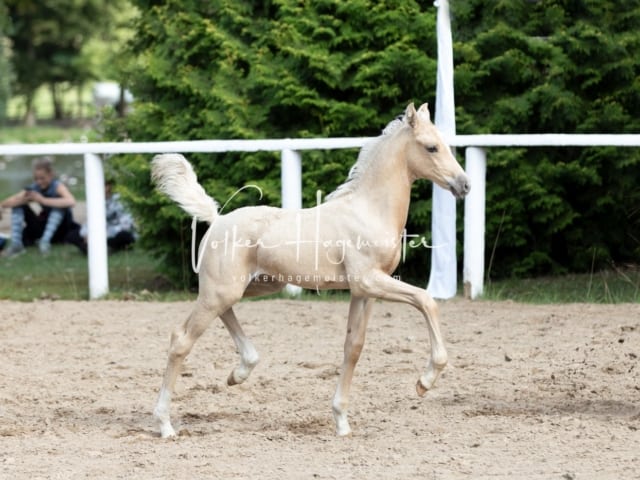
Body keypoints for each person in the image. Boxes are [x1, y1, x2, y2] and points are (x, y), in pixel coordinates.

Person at [0, 157, 79, 257]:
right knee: (18, 204)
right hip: (44, 226)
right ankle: (16, 245)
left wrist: (42, 200)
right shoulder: (35, 187)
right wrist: (5, 204)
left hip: (62, 228)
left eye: (42, 178)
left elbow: (71, 201)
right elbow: (13, 199)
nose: (39, 182)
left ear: (51, 175)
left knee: (59, 207)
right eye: (36, 178)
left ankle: (45, 242)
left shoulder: (57, 186)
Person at [67, 181, 136, 255]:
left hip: (114, 233)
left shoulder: (120, 199)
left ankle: (104, 247)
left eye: (104, 185)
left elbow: (126, 225)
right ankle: (92, 246)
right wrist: (87, 234)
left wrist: (103, 235)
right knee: (72, 235)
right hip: (98, 233)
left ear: (110, 186)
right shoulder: (94, 199)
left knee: (125, 236)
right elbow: (90, 221)